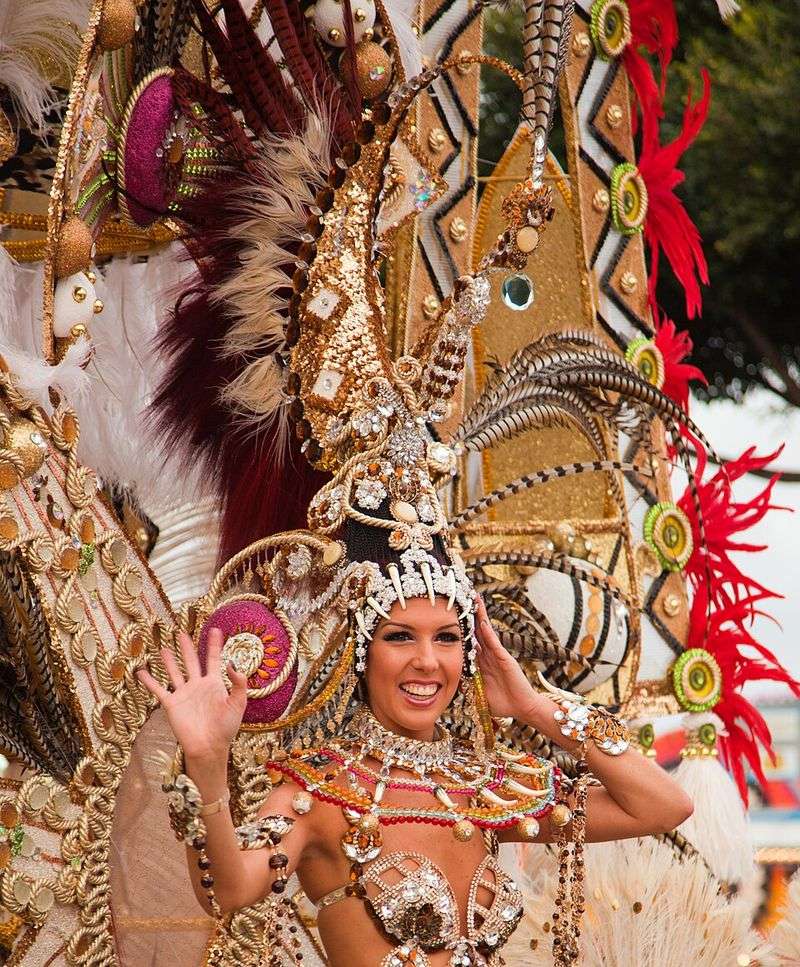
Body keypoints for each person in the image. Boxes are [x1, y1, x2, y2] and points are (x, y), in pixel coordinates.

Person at [137, 593, 692, 967]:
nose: (427, 662)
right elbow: (230, 890)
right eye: (400, 636)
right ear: (362, 652)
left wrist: (534, 708)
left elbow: (662, 806)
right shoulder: (325, 790)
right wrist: (207, 768)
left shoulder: (486, 788)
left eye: (448, 638)